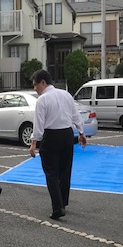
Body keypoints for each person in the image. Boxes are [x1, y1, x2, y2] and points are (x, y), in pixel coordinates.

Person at [28, 69, 87, 220]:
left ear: (43, 82)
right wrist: (81, 132)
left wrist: (34, 142)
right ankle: (63, 203)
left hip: (51, 136)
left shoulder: (42, 100)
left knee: (51, 173)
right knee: (65, 171)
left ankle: (57, 208)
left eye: (35, 85)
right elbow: (76, 115)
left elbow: (39, 124)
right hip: (67, 134)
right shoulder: (65, 94)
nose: (35, 89)